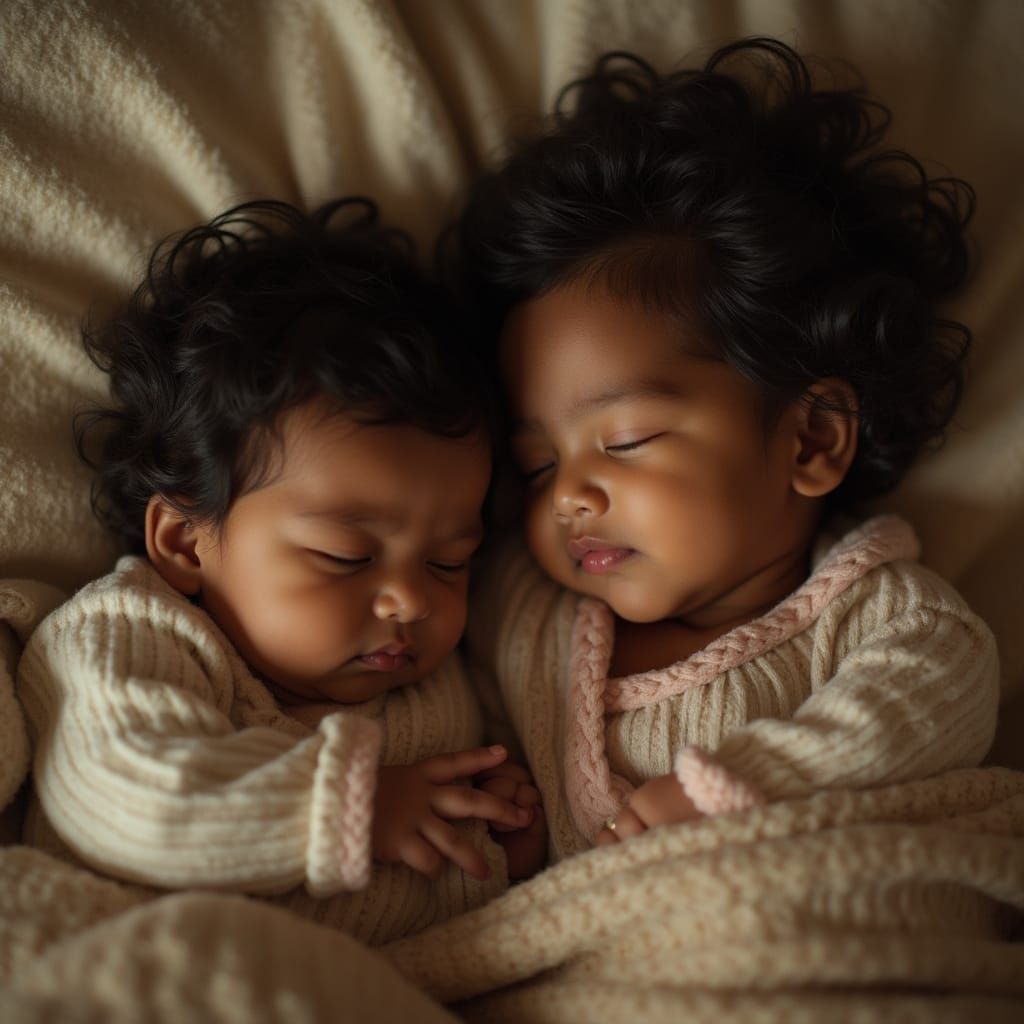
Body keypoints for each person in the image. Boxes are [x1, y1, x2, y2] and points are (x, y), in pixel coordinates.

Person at [453, 38, 1000, 865]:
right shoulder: (522, 614)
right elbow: (481, 743)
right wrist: (510, 826)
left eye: (625, 440)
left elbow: (921, 709)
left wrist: (741, 785)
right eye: (537, 467)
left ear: (812, 439)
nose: (567, 496)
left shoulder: (883, 616)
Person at [17, 198, 540, 945]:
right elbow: (128, 793)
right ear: (186, 542)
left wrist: (499, 838)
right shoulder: (136, 632)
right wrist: (352, 807)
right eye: (347, 556)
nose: (410, 599)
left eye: (448, 561)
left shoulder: (442, 680)